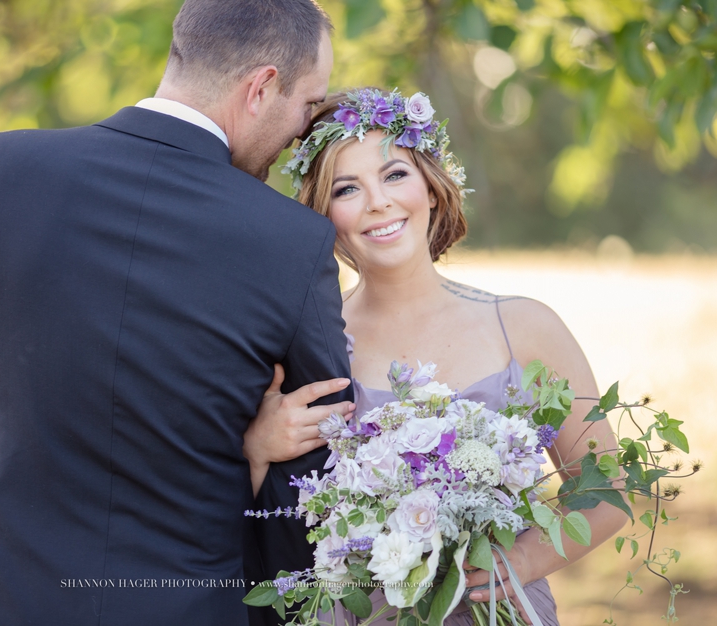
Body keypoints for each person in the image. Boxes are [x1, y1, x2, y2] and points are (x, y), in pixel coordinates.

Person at [0, 2, 356, 624]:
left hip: (1, 589)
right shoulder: (293, 241)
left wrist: (12, 525)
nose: (301, 131)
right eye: (307, 106)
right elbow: (315, 452)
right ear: (260, 88)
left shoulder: (1, 170)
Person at [243, 89, 628, 625]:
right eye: (347, 188)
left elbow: (607, 489)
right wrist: (256, 448)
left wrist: (520, 559)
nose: (378, 202)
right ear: (322, 212)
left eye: (395, 175)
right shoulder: (302, 345)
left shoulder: (524, 327)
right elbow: (258, 517)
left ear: (431, 184)